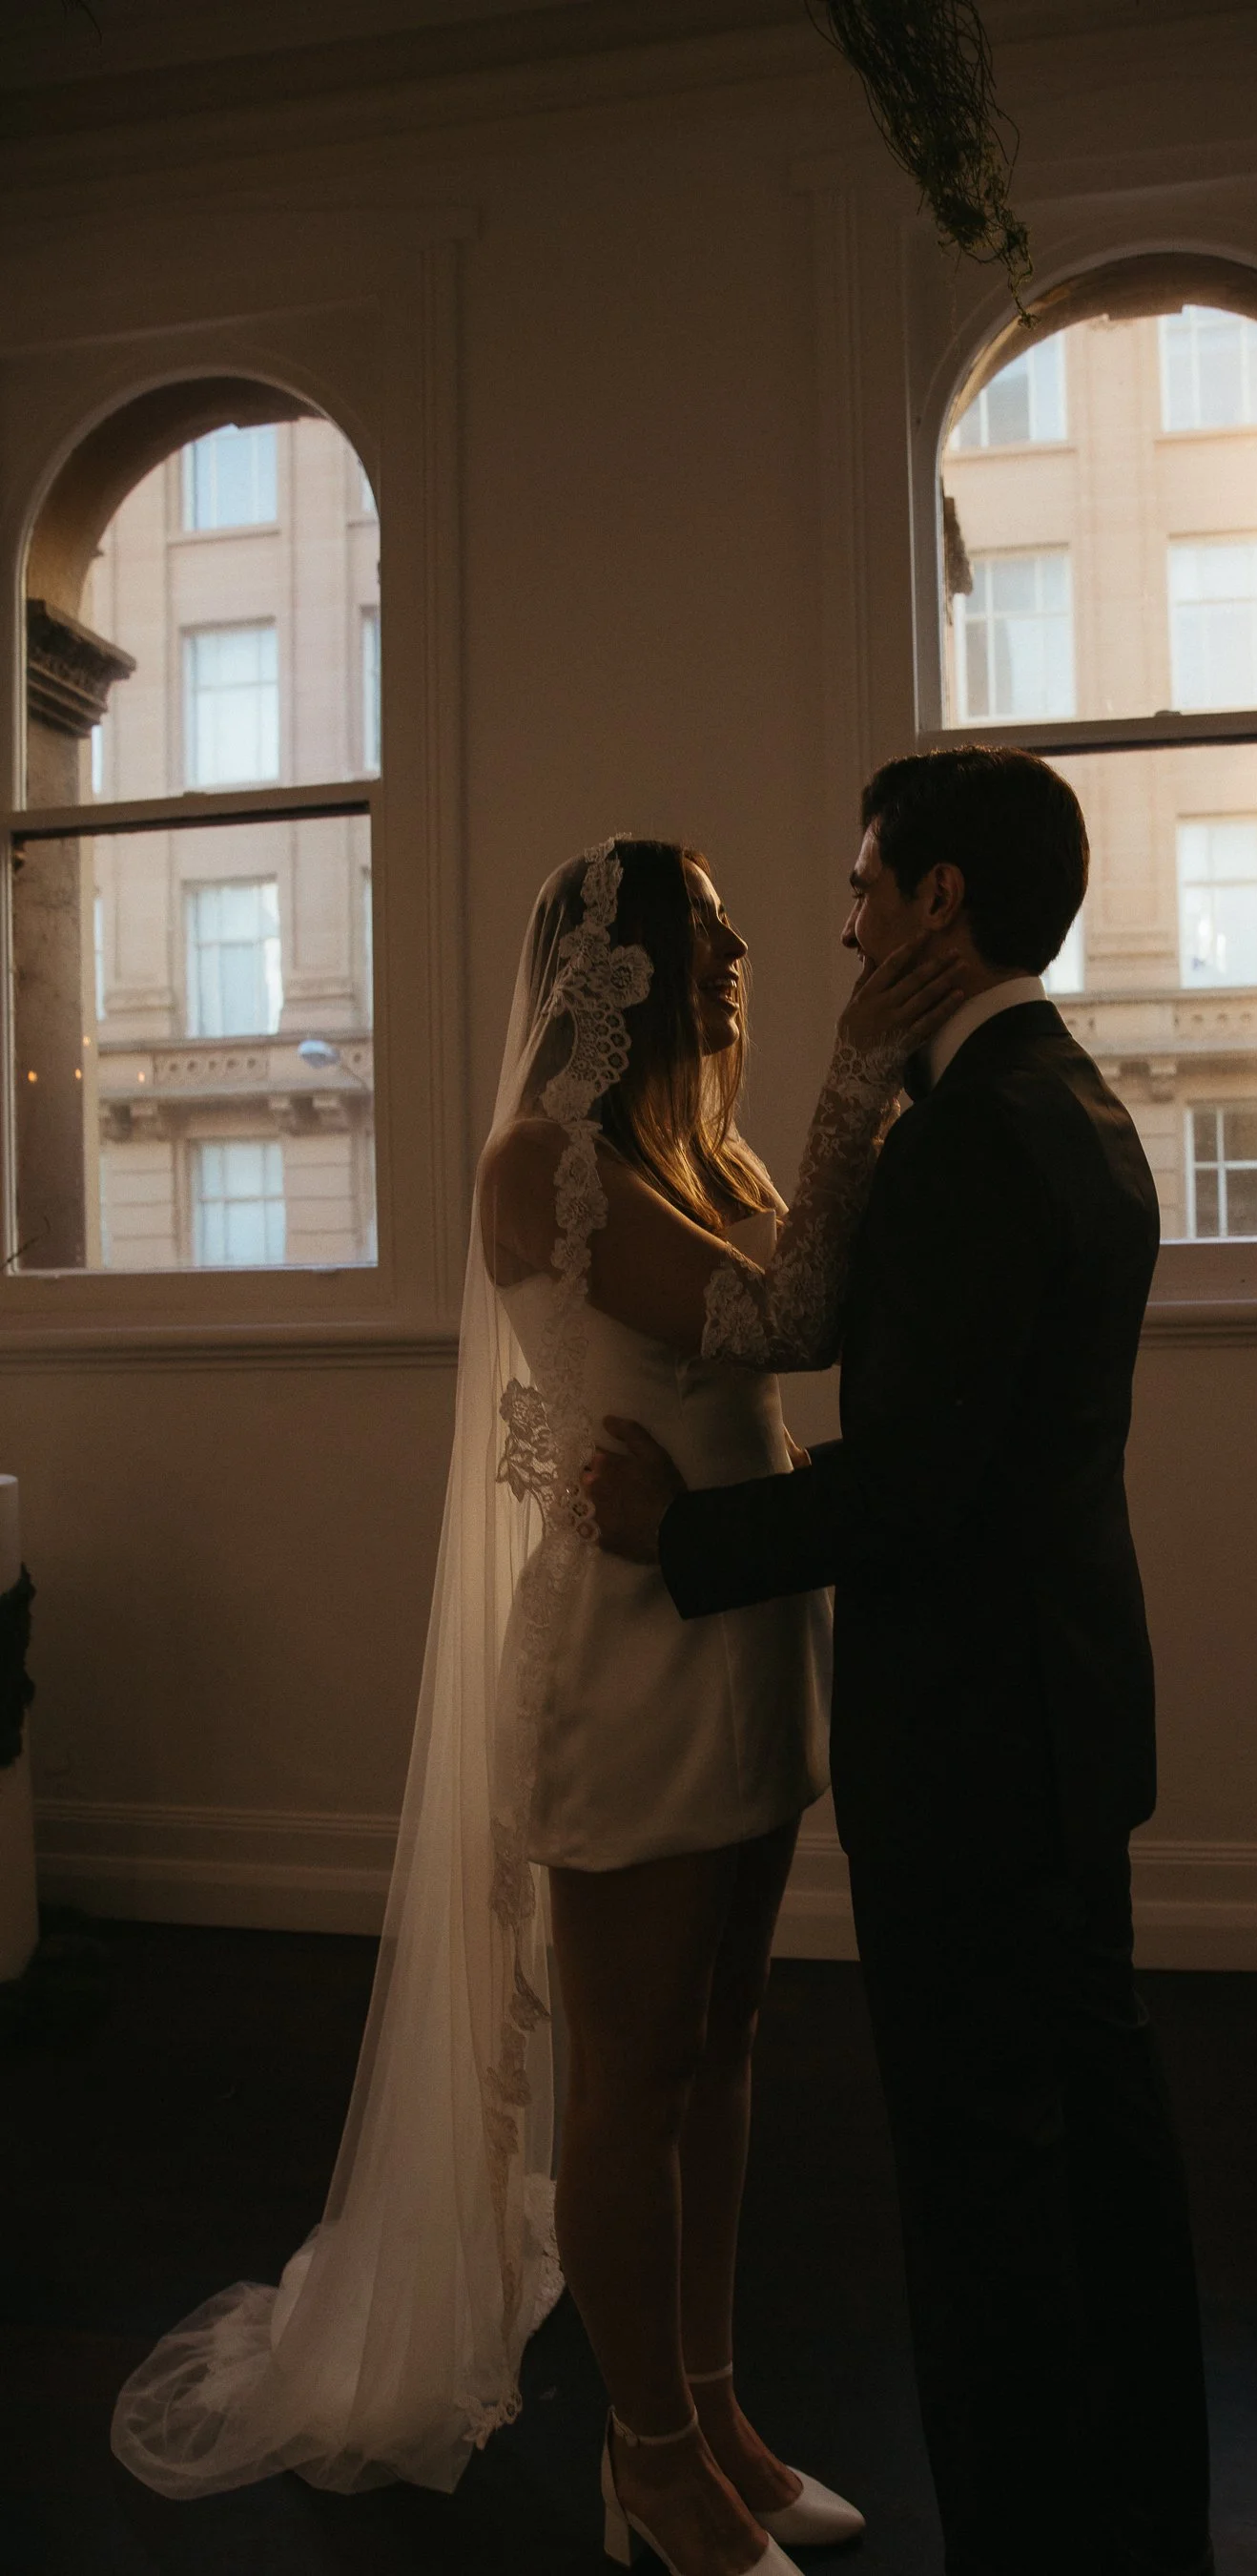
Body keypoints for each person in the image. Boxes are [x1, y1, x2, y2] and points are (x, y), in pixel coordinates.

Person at [112, 836, 961, 2576]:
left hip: (743, 1620)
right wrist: (868, 1065)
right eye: (704, 930)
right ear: (620, 961)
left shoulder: (709, 1151)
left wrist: (852, 1096)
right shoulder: (535, 1165)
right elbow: (792, 1322)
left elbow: (827, 1298)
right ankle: (646, 2465)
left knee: (722, 2056)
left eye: (733, 930)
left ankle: (712, 2413)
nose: (740, 953)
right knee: (632, 2078)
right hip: (632, 1661)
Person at [586, 753, 1217, 2576]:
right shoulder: (1063, 1097)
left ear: (937, 902)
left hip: (971, 1738)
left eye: (866, 880)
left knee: (985, 2190)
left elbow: (918, 1490)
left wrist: (679, 1537)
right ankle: (1142, 2509)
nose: (843, 914)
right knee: (1099, 2145)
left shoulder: (978, 1137)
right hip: (1067, 1710)